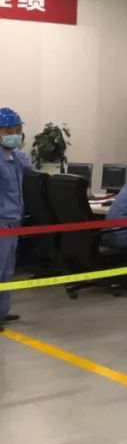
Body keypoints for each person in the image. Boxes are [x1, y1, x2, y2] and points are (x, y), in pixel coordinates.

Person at [0, 107, 33, 328]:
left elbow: (31, 170)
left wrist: (17, 151)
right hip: (1, 220)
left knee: (7, 270)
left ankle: (2, 311)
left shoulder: (14, 156)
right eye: (10, 130)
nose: (15, 135)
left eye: (18, 130)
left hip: (14, 220)